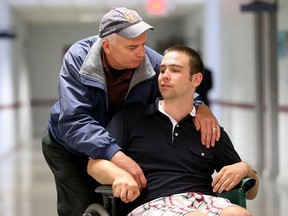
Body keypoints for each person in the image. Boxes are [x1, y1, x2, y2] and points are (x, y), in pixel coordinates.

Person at [42, 7, 220, 216]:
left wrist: (200, 106)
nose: (141, 52)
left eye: (143, 44)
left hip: (113, 143)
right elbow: (75, 120)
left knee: (119, 202)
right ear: (107, 46)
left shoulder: (149, 62)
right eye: (132, 47)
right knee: (81, 204)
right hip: (68, 147)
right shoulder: (79, 58)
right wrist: (116, 155)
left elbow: (178, 89)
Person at [87, 45, 259, 216]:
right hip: (151, 205)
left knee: (240, 214)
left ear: (196, 80)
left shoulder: (209, 128)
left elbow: (251, 192)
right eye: (162, 70)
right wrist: (118, 176)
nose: (165, 76)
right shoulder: (131, 117)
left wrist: (246, 169)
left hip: (203, 201)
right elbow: (94, 164)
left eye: (175, 70)